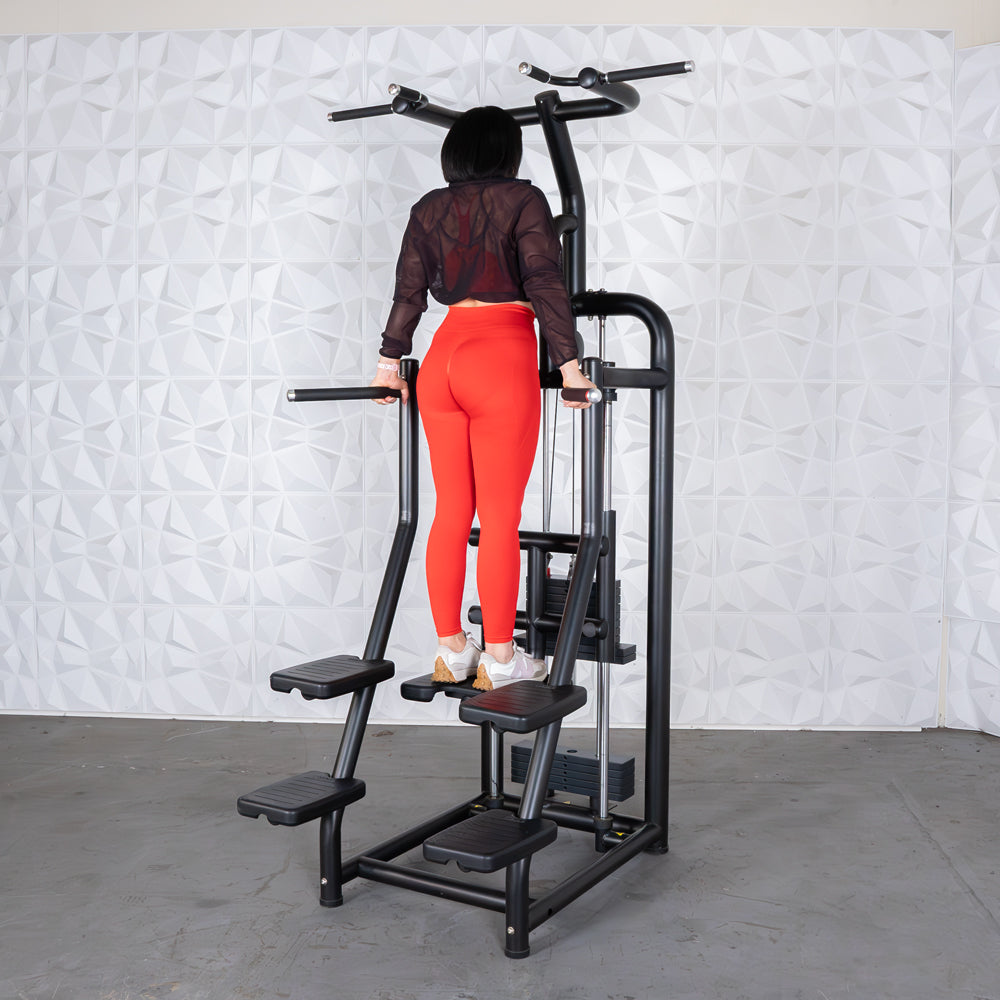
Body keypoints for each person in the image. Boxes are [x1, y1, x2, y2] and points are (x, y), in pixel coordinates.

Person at [370, 106, 596, 691]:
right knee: (499, 517)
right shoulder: (524, 199)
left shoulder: (428, 207)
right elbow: (545, 281)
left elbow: (408, 290)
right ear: (508, 151)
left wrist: (387, 364)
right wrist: (569, 367)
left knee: (450, 511)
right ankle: (500, 658)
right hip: (499, 354)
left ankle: (452, 650)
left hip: (442, 357)